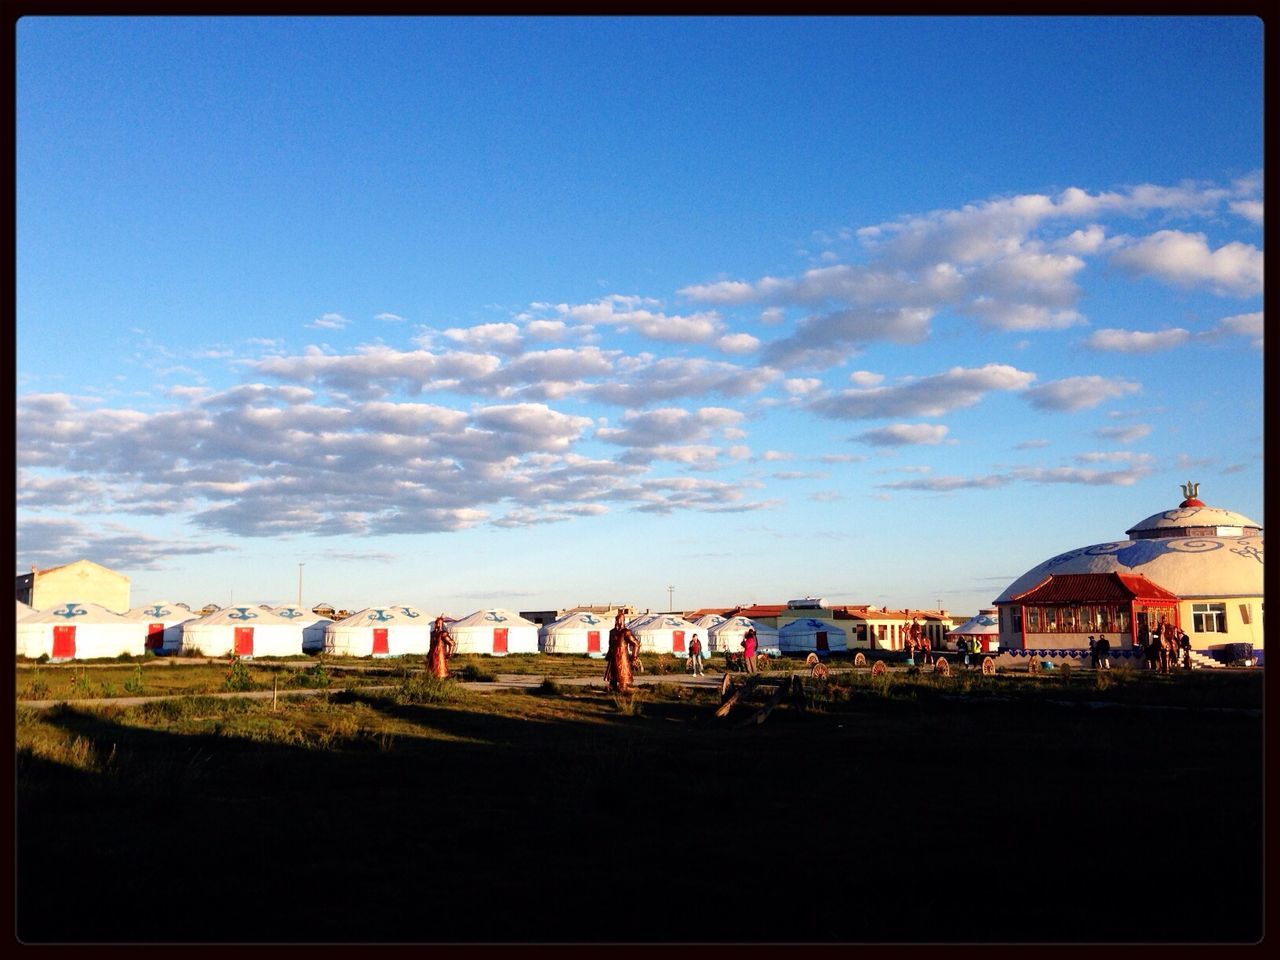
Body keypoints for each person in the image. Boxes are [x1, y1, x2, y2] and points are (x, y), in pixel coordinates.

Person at [604, 610, 640, 693]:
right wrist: (609, 654)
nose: (618, 622)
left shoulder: (626, 632)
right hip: (613, 656)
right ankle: (612, 687)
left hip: (622, 656)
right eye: (617, 619)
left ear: (623, 620)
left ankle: (623, 687)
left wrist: (634, 657)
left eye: (619, 620)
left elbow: (636, 644)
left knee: (622, 673)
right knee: (613, 674)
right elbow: (611, 644)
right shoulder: (612, 632)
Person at [427, 614, 456, 679]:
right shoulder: (433, 633)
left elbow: (452, 643)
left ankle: (441, 680)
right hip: (433, 655)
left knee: (441, 670)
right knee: (432, 670)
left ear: (441, 624)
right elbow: (431, 644)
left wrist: (449, 653)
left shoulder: (443, 634)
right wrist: (429, 652)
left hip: (440, 654)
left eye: (438, 623)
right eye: (436, 623)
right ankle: (432, 679)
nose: (437, 624)